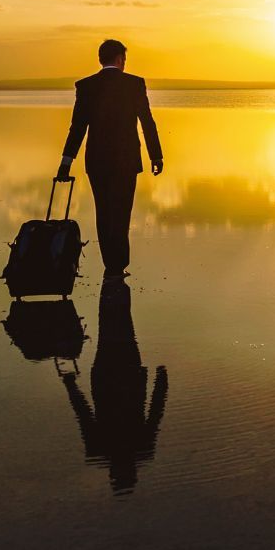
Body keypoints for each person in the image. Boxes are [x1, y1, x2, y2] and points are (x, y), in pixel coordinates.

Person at [56, 39, 163, 279]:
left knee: (103, 212)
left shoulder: (86, 86)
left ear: (100, 59)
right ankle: (119, 265)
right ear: (120, 59)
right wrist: (156, 155)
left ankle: (110, 265)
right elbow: (147, 122)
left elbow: (77, 128)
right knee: (122, 212)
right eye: (124, 59)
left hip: (97, 161)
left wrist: (66, 161)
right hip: (126, 161)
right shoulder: (134, 84)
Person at [62, 277, 168, 494]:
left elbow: (84, 414)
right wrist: (161, 380)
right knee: (120, 331)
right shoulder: (137, 447)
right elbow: (155, 412)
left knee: (115, 332)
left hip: (111, 378)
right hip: (116, 379)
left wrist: (72, 386)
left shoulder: (105, 448)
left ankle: (113, 287)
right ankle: (115, 287)